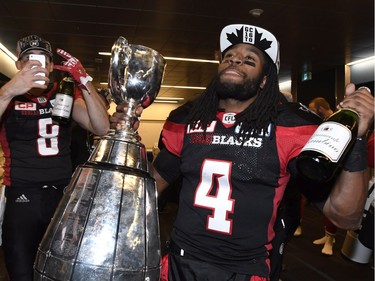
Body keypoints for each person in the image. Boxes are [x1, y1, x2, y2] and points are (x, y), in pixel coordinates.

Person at [111, 24, 374, 280]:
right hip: (181, 261)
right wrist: (124, 140)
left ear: (264, 80)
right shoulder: (186, 118)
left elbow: (345, 216)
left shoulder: (290, 126)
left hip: (244, 270)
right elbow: (145, 191)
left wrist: (358, 139)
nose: (235, 61)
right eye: (229, 56)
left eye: (249, 60)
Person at [0, 35, 109, 281]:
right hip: (21, 195)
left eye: (42, 60)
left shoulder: (64, 94)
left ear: (51, 66)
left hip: (61, 195)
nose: (36, 65)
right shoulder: (7, 96)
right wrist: (8, 91)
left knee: (61, 271)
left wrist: (85, 81)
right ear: (18, 65)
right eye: (29, 60)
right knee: (20, 271)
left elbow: (101, 128)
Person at [308, 97, 339, 255]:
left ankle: (331, 239)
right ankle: (327, 235)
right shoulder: (325, 121)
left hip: (336, 169)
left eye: (313, 109)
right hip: (325, 169)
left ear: (320, 109)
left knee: (333, 205)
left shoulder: (336, 120)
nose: (311, 112)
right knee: (325, 204)